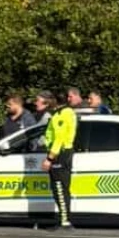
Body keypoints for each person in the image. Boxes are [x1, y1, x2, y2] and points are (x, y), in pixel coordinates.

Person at [42, 90, 78, 230]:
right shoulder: (65, 113)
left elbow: (59, 138)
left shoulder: (62, 114)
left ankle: (65, 221)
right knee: (60, 188)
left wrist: (49, 158)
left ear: (54, 101)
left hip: (60, 154)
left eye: (48, 101)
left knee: (60, 188)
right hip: (63, 153)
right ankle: (64, 219)